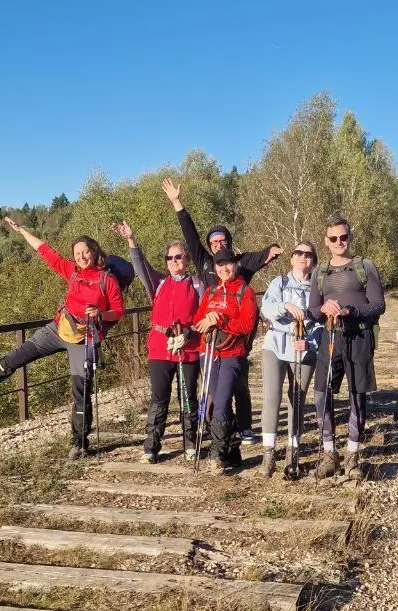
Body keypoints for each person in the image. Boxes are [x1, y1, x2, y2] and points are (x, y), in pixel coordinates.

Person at [0, 218, 124, 457]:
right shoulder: (72, 271)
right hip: (58, 328)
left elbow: (118, 310)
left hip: (85, 339)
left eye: (86, 251)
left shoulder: (107, 280)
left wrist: (100, 313)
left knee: (81, 389)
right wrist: (22, 230)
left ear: (95, 252)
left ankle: (79, 442)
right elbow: (45, 251)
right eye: (77, 253)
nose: (82, 256)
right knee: (16, 356)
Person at [161, 177, 281, 445]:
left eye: (222, 240)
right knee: (214, 383)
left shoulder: (240, 263)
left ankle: (245, 426)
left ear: (228, 241)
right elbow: (190, 234)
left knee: (239, 380)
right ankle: (218, 427)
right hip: (211, 332)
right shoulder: (204, 262)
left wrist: (273, 249)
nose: (217, 245)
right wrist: (177, 203)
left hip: (237, 328)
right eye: (213, 241)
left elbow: (263, 254)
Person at [112, 220, 202, 463]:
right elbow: (140, 267)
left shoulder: (197, 284)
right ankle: (151, 446)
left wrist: (190, 333)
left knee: (188, 397)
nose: (174, 261)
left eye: (178, 257)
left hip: (189, 347)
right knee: (159, 397)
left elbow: (205, 315)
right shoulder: (159, 283)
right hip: (161, 348)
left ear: (187, 259)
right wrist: (132, 240)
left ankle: (191, 442)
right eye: (169, 258)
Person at [308, 216, 386, 478]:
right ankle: (329, 454)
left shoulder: (365, 266)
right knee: (321, 393)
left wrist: (350, 310)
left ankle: (353, 455)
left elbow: (378, 305)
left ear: (350, 238)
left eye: (344, 237)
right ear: (326, 241)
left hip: (359, 336)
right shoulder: (319, 273)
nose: (339, 242)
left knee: (357, 395)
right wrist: (322, 309)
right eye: (333, 238)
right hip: (330, 338)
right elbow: (312, 311)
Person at [191, 247, 259, 474]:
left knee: (220, 404)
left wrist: (219, 319)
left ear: (235, 265)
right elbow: (198, 319)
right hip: (208, 352)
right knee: (211, 405)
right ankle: (233, 452)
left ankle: (216, 454)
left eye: (228, 264)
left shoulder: (244, 292)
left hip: (231, 354)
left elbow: (246, 325)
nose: (224, 268)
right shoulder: (210, 291)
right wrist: (207, 319)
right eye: (219, 265)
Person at [258, 241, 322, 477]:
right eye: (298, 253)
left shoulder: (318, 288)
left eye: (308, 254)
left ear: (313, 260)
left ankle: (292, 451)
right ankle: (268, 455)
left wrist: (311, 342)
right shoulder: (279, 282)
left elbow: (322, 323)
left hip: (303, 348)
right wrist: (284, 305)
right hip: (275, 344)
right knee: (271, 397)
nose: (302, 257)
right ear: (292, 258)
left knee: (297, 399)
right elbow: (266, 307)